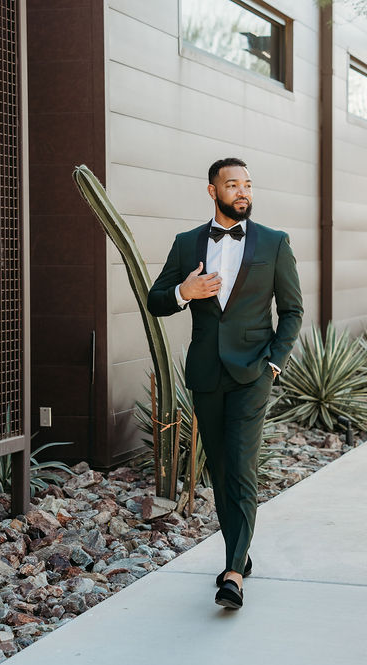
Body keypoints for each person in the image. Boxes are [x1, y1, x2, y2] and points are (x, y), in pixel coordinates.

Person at [146, 157, 303, 609]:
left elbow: (292, 310)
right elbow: (157, 300)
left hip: (254, 372)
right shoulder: (188, 243)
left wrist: (275, 361)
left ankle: (232, 572)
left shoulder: (274, 243)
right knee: (219, 467)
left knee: (242, 466)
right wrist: (184, 293)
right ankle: (241, 550)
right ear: (212, 191)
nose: (243, 192)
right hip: (207, 375)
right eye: (232, 184)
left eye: (248, 185)